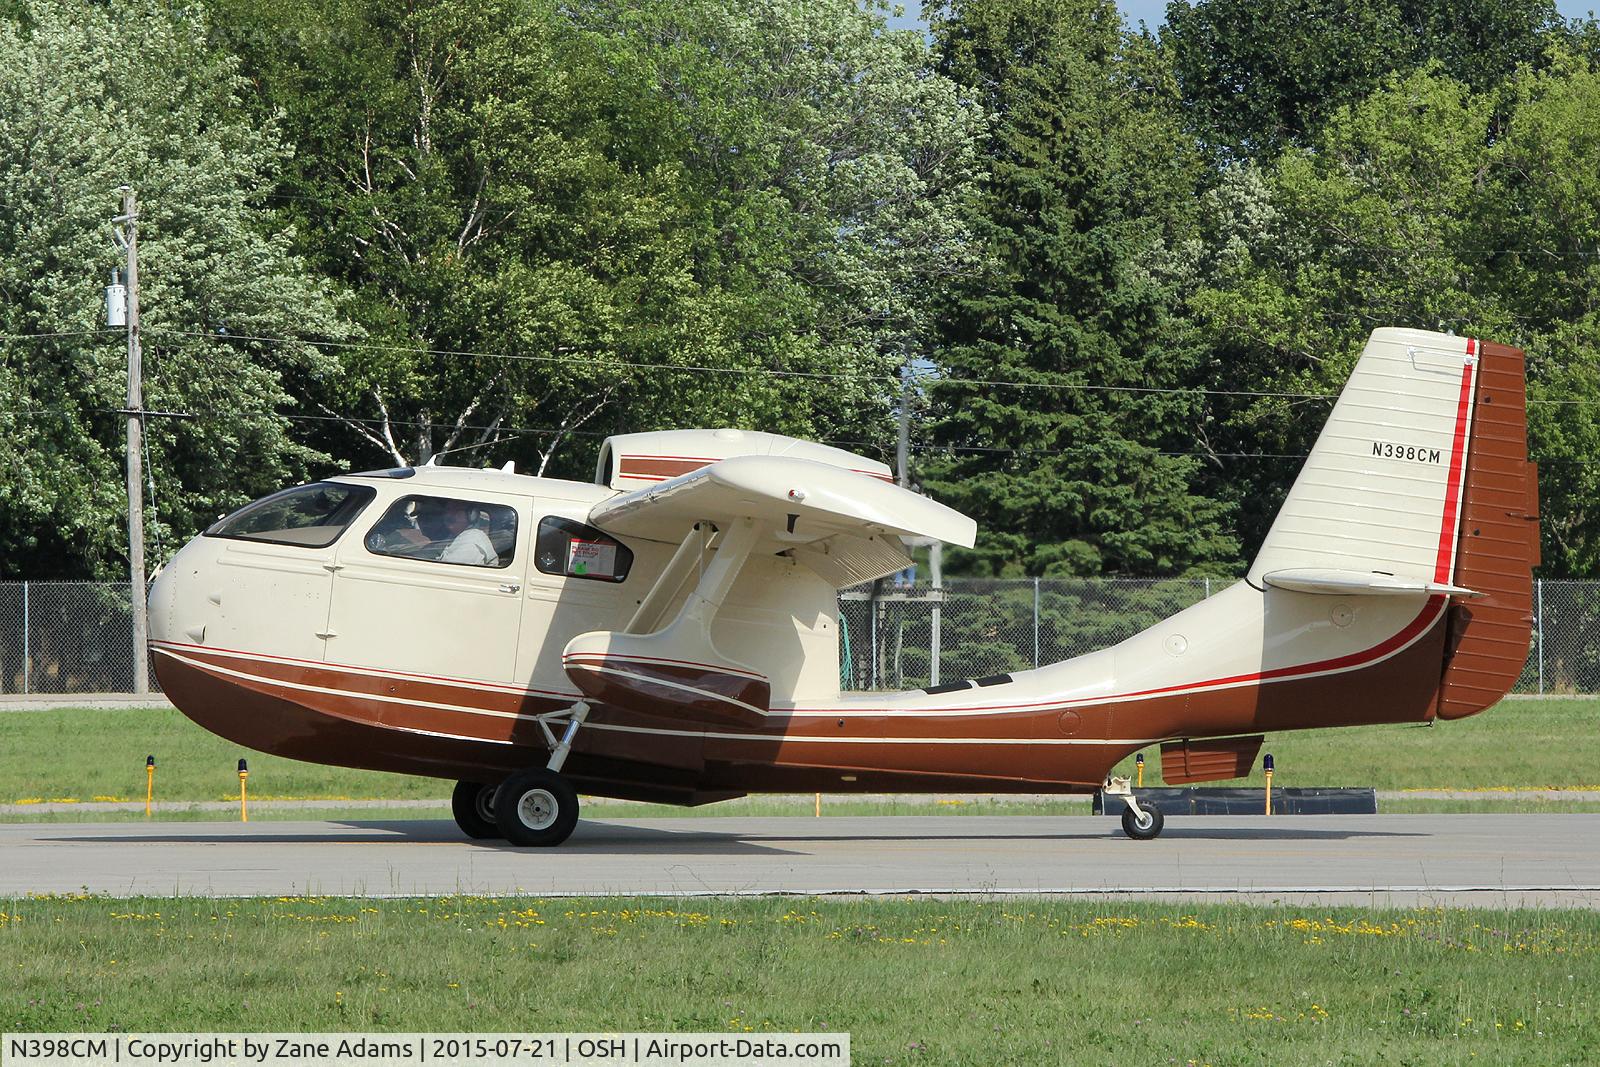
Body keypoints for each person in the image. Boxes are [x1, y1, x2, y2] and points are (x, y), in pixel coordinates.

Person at [437, 500, 499, 566]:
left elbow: (450, 570)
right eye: (448, 509)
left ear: (472, 515)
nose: (449, 514)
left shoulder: (473, 541)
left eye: (456, 510)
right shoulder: (454, 537)